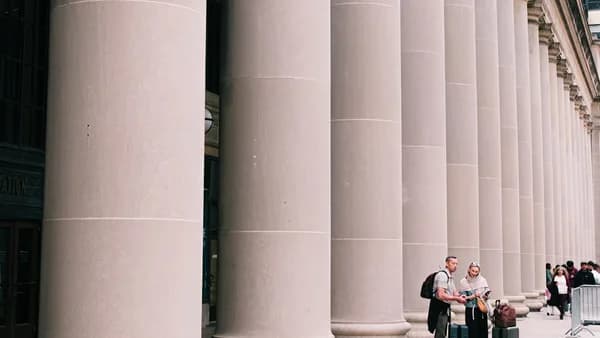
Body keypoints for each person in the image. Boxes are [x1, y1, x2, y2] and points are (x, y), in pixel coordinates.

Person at [427, 256, 467, 338]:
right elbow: (441, 295)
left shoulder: (450, 276)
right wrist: (457, 298)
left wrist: (462, 297)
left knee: (443, 332)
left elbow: (454, 293)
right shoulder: (442, 275)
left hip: (445, 308)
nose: (455, 265)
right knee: (440, 333)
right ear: (447, 264)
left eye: (456, 264)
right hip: (439, 308)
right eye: (453, 263)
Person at [458, 262, 490, 338]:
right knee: (472, 332)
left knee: (483, 332)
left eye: (476, 272)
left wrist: (486, 296)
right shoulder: (463, 282)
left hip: (481, 309)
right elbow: (462, 298)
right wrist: (473, 296)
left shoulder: (482, 280)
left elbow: (486, 293)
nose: (474, 273)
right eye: (473, 271)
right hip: (471, 310)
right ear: (469, 270)